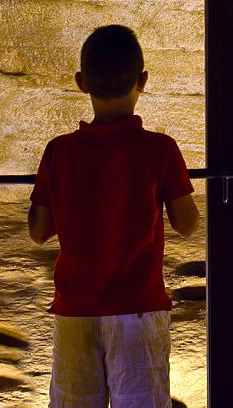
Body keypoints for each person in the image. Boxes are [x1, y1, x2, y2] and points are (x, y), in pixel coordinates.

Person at [28, 24, 200, 408]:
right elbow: (187, 224)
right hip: (138, 306)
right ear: (143, 80)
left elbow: (39, 232)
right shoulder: (161, 149)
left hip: (75, 308)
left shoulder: (59, 152)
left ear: (80, 82)